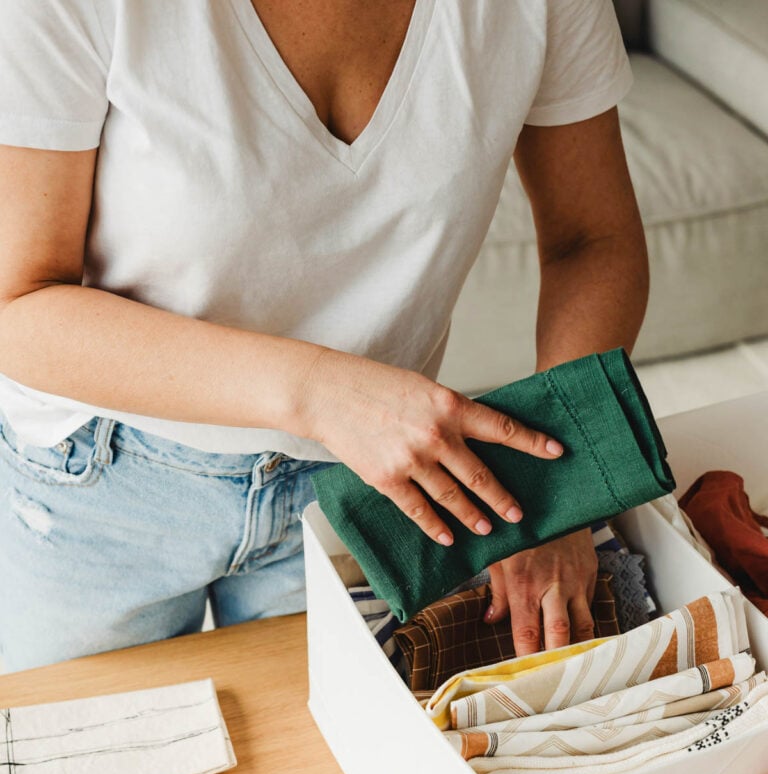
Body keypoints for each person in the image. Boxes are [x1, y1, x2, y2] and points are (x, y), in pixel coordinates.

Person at [0, 0, 648, 673]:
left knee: (337, 767)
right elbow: (17, 303)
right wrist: (320, 393)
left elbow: (591, 239)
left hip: (369, 487)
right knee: (91, 771)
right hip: (102, 484)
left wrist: (567, 487)